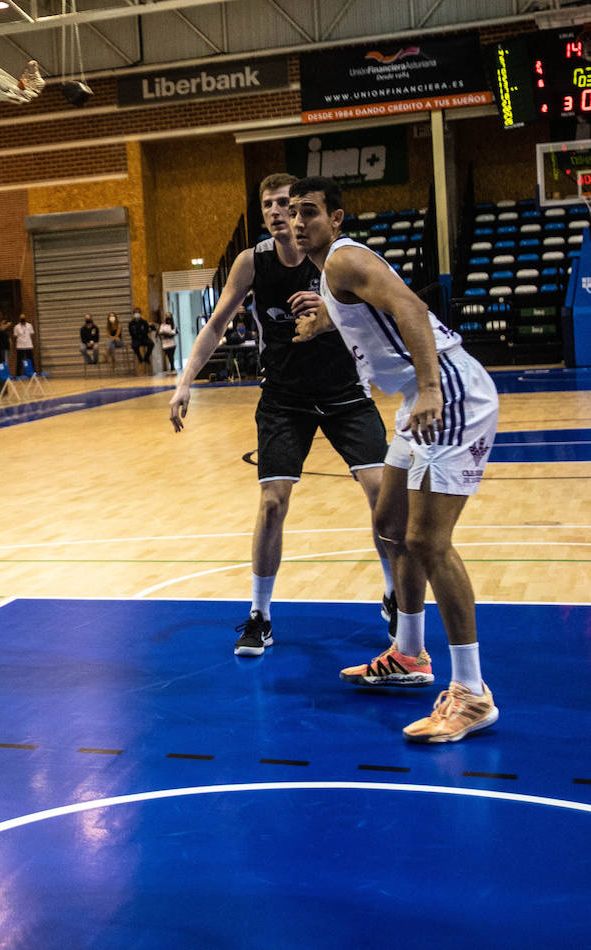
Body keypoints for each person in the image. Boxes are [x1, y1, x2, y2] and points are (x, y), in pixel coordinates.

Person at [289, 175, 501, 743]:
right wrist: (325, 321)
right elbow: (373, 316)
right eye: (292, 212)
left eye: (310, 211)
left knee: (429, 541)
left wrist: (430, 387)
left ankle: (472, 693)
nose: (297, 219)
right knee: (391, 525)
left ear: (336, 218)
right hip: (418, 397)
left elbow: (408, 306)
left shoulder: (343, 260)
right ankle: (409, 654)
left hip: (446, 392)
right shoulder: (332, 273)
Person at [169, 173, 392, 658]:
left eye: (285, 205)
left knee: (382, 494)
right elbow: (217, 322)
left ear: (300, 212)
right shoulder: (253, 262)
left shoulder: (333, 257)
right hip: (284, 395)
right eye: (268, 204)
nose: (275, 212)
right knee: (272, 503)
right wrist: (185, 379)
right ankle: (260, 615)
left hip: (344, 390)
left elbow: (381, 310)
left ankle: (394, 592)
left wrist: (331, 311)